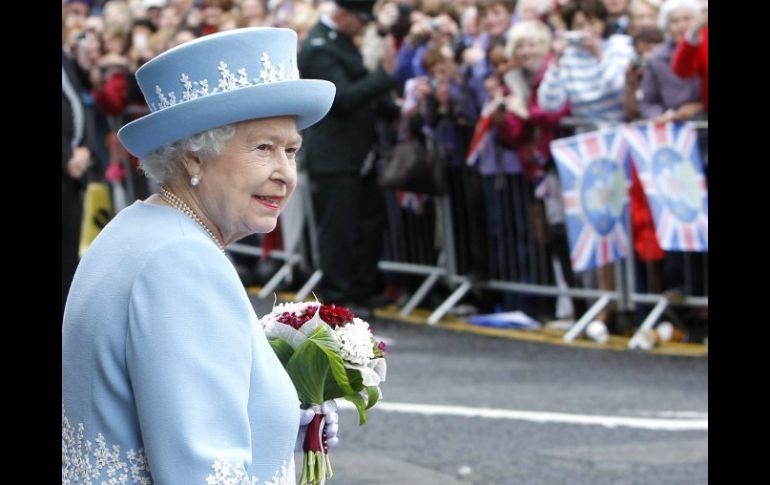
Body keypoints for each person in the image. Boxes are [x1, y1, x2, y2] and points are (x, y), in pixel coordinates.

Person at [62, 28, 340, 484]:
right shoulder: (180, 262)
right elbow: (203, 470)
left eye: (291, 151)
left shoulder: (143, 228)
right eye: (263, 148)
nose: (285, 174)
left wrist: (289, 419)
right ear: (194, 156)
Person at [298, 0, 400, 311]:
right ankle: (338, 295)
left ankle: (360, 288)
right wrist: (384, 75)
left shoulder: (339, 42)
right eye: (359, 19)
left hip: (359, 154)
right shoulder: (318, 46)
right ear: (343, 14)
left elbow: (361, 91)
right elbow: (342, 98)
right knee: (338, 228)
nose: (363, 26)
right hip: (335, 156)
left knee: (367, 224)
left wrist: (394, 107)